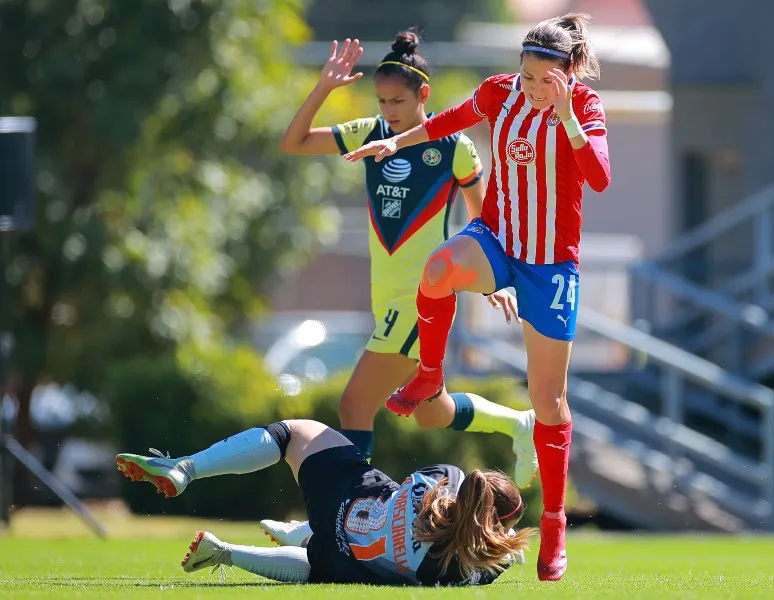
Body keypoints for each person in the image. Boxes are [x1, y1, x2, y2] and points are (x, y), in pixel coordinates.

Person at [344, 13, 611, 581]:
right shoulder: (499, 93)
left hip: (549, 266)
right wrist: (395, 141)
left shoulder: (582, 107)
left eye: (549, 82)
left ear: (567, 75)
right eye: (531, 77)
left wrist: (564, 117)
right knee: (438, 269)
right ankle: (430, 375)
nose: (537, 90)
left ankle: (556, 522)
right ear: (519, 66)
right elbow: (445, 122)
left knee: (549, 400)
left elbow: (600, 177)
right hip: (497, 240)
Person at [278, 31, 537, 487]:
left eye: (397, 101)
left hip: (421, 299)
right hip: (387, 298)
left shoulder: (453, 146)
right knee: (431, 413)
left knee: (354, 405)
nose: (388, 111)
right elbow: (294, 143)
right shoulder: (369, 134)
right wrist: (324, 87)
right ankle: (520, 423)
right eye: (381, 101)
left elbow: (483, 219)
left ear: (424, 95)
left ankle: (345, 505)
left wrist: (494, 279)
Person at [115, 420, 534, 586]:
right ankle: (229, 551)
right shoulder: (460, 569)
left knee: (294, 433)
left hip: (351, 496)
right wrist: (506, 548)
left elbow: (437, 492)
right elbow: (482, 558)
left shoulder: (444, 480)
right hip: (346, 551)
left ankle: (187, 468)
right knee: (321, 567)